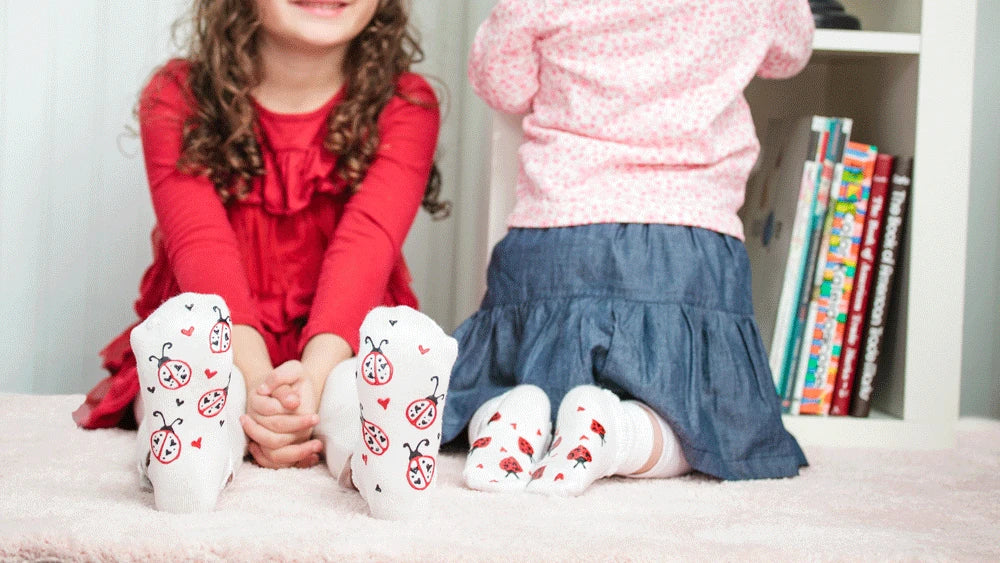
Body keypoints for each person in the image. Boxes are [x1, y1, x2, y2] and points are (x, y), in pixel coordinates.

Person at [73, 0, 457, 518]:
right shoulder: (176, 94)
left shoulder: (408, 104)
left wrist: (312, 381)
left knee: (358, 391)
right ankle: (187, 465)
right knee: (195, 386)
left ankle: (384, 469)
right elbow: (200, 245)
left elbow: (367, 245)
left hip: (342, 339)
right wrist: (256, 382)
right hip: (216, 338)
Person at [443, 0, 815, 496]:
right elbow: (789, 54)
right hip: (688, 246)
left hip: (558, 238)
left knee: (510, 383)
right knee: (698, 422)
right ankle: (616, 435)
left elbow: (502, 85)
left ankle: (506, 419)